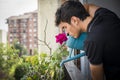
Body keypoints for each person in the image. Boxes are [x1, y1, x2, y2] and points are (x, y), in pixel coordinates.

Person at [55, 1, 120, 80]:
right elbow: (88, 7)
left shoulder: (91, 42)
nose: (67, 33)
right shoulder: (105, 14)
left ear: (74, 20)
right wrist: (71, 10)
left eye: (65, 27)